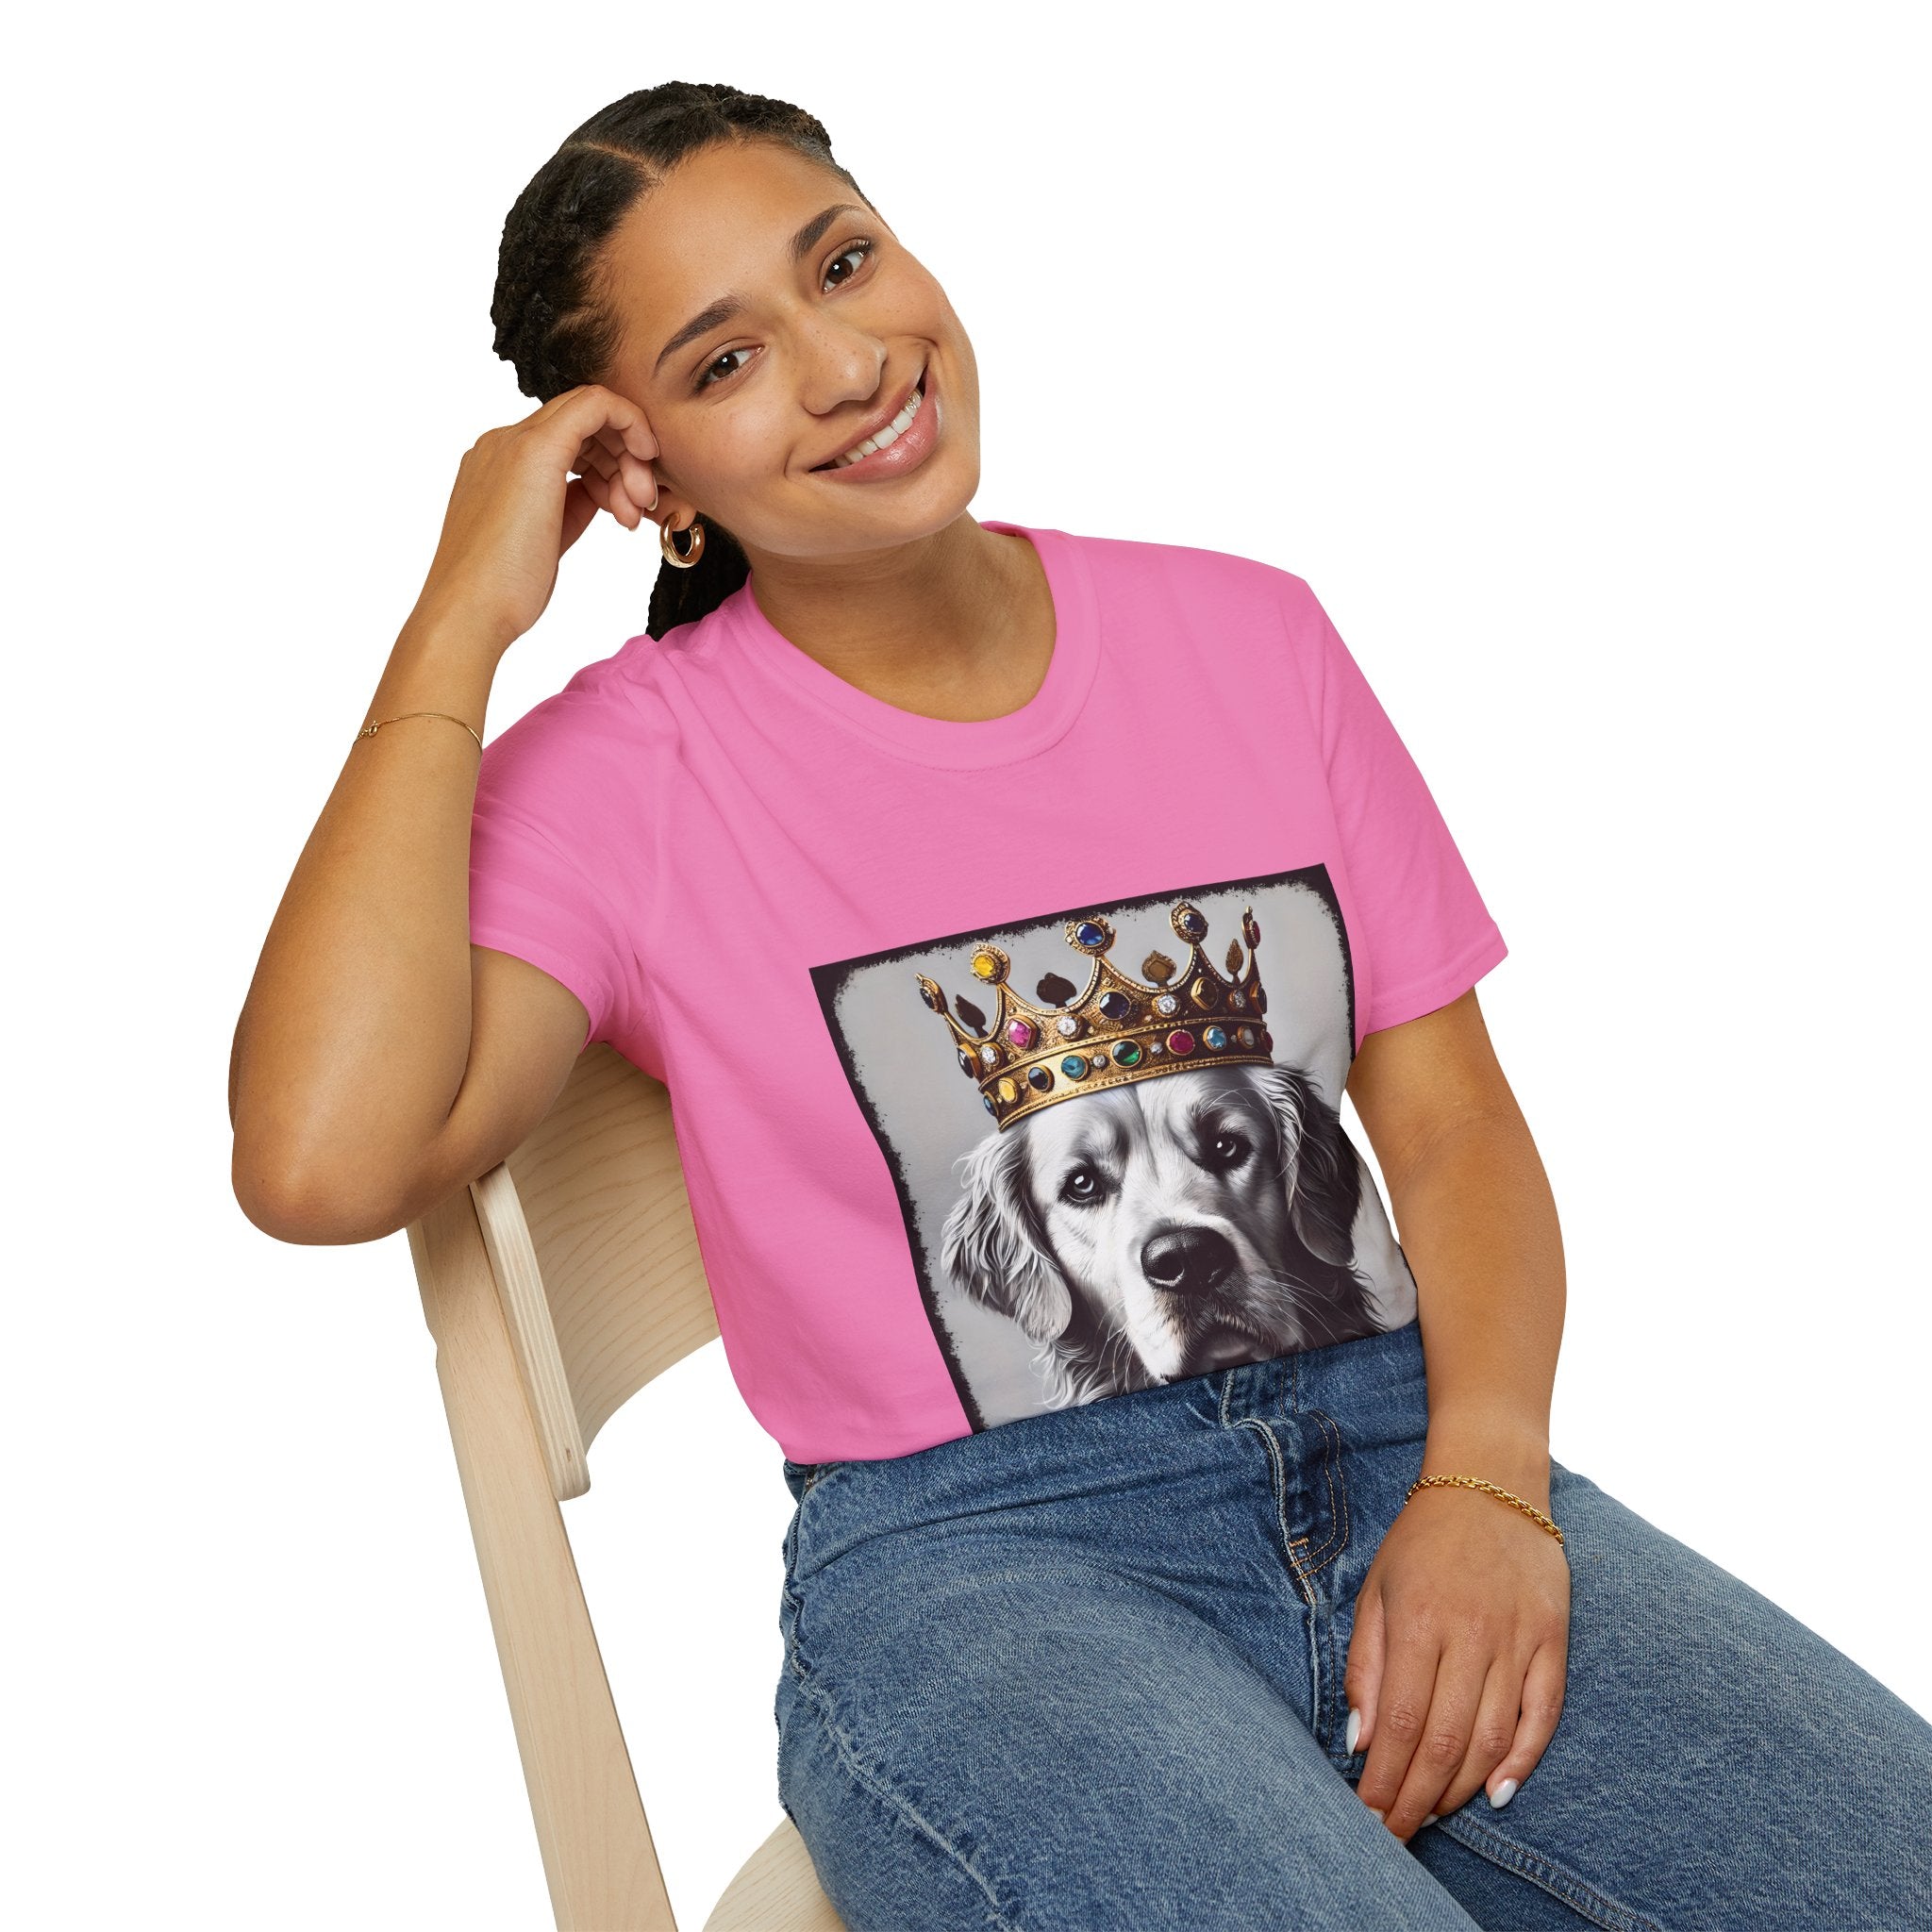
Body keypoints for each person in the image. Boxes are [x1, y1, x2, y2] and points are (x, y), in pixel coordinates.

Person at [228, 80, 1932, 1931]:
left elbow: (1445, 1124)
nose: (845, 362)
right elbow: (321, 1158)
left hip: (1403, 1448)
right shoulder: (630, 772)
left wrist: (1490, 1486)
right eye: (725, 362)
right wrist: (456, 619)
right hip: (985, 1569)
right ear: (646, 478)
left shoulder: (1250, 637)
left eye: (845, 263)